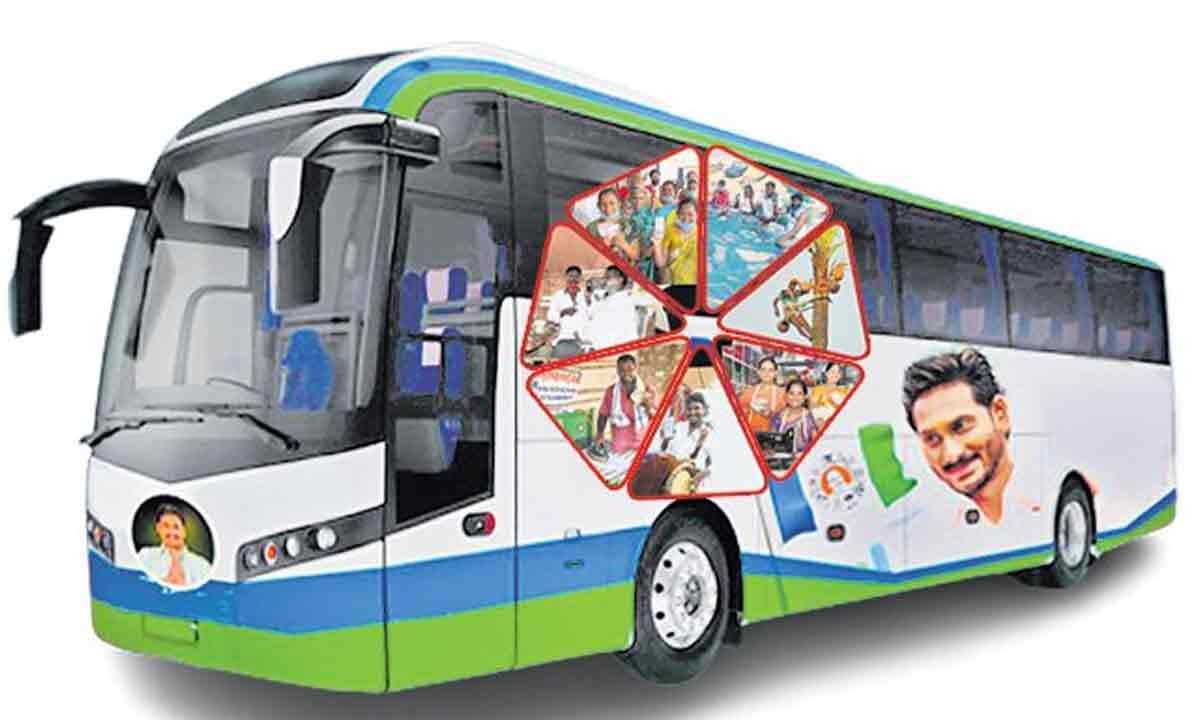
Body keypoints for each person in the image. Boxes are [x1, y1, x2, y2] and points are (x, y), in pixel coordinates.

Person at [902, 348, 1015, 524]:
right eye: (932, 439)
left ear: (1000, 414)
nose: (951, 454)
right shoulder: (932, 523)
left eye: (961, 426)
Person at [592, 354, 656, 486]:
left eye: (630, 369)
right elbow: (603, 414)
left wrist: (647, 406)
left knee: (643, 475)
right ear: (617, 371)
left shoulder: (648, 390)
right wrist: (599, 435)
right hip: (620, 441)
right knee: (619, 475)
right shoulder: (611, 391)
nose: (626, 374)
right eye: (622, 370)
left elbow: (655, 418)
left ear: (636, 368)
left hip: (643, 439)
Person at [137, 503, 211, 588]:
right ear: (158, 529)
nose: (172, 532)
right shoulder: (145, 556)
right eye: (166, 526)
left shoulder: (202, 566)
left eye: (176, 527)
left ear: (184, 531)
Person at [588, 265, 659, 349]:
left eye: (609, 276)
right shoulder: (599, 300)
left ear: (620, 280)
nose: (605, 279)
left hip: (621, 346)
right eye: (605, 276)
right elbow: (589, 317)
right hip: (598, 346)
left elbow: (653, 299)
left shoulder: (628, 296)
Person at [659, 391, 713, 493]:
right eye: (689, 409)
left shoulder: (709, 433)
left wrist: (701, 476)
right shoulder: (679, 427)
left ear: (705, 410)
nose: (692, 412)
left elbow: (714, 465)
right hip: (669, 477)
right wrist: (665, 441)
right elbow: (665, 451)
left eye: (697, 408)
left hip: (692, 483)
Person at [544, 265, 592, 358]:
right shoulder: (558, 296)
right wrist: (562, 313)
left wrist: (589, 302)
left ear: (580, 278)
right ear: (566, 277)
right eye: (570, 276)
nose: (573, 279)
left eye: (576, 276)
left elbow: (592, 316)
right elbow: (550, 316)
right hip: (564, 338)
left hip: (584, 339)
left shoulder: (586, 295)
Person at [586, 187, 639, 263]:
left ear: (619, 204)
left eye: (612, 203)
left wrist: (625, 246)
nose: (608, 208)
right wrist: (600, 246)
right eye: (603, 204)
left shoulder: (631, 224)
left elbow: (636, 256)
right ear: (598, 206)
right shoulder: (590, 228)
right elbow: (586, 256)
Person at [653, 197, 699, 285]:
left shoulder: (702, 234)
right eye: (682, 214)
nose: (686, 218)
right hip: (673, 281)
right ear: (677, 214)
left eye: (690, 214)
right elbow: (661, 263)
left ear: (697, 214)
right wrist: (657, 245)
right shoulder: (670, 231)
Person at [770, 379, 820, 458]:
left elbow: (817, 447)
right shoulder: (777, 417)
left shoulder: (812, 418)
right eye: (791, 393)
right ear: (786, 396)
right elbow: (771, 443)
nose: (795, 397)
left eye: (799, 394)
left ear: (805, 397)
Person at [738, 356, 785, 433]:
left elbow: (787, 417)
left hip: (772, 436)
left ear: (776, 373)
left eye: (770, 370)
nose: (767, 373)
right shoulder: (748, 392)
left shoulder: (783, 394)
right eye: (763, 369)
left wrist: (771, 414)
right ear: (758, 372)